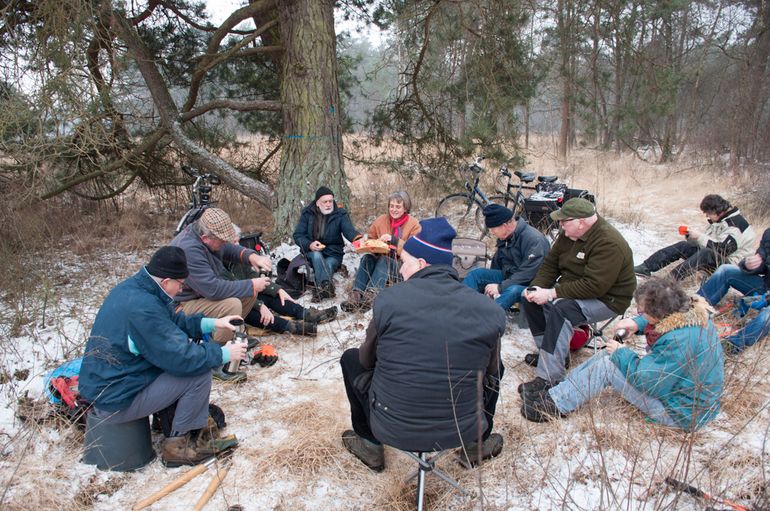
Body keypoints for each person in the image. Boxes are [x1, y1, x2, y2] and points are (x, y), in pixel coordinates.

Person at [339, 218, 506, 472]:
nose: (401, 271)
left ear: (421, 263)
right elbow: (492, 372)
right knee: (496, 368)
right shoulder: (488, 310)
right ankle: (476, 445)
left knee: (351, 359)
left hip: (391, 423)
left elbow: (365, 361)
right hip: (463, 426)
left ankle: (370, 444)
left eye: (404, 262)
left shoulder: (389, 301)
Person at [79, 246, 248, 467]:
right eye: (180, 283)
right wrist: (224, 353)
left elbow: (171, 322)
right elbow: (182, 357)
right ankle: (178, 447)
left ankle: (166, 420)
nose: (182, 288)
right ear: (166, 280)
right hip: (115, 401)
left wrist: (214, 323)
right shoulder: (143, 307)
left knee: (176, 366)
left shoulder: (138, 289)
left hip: (112, 387)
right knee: (198, 372)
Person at [522, 277, 724, 431]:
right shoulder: (690, 316)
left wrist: (623, 353)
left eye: (642, 312)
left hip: (681, 412)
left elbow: (649, 383)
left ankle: (555, 406)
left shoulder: (680, 340)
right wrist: (637, 323)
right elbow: (663, 321)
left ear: (658, 314)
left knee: (609, 365)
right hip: (683, 401)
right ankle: (559, 393)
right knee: (608, 355)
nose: (638, 312)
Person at [172, 209, 333, 357]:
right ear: (205, 238)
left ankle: (231, 338)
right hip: (183, 305)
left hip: (201, 296)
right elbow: (213, 290)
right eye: (222, 241)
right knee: (232, 304)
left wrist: (252, 257)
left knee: (248, 294)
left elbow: (228, 249)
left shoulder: (204, 233)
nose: (224, 244)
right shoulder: (189, 250)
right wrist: (251, 286)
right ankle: (218, 355)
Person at [520, 197, 636, 396]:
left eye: (564, 222)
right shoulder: (569, 234)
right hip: (574, 288)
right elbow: (551, 264)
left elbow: (595, 286)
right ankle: (551, 355)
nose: (561, 226)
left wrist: (551, 293)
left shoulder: (608, 242)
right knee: (530, 299)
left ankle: (549, 378)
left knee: (562, 309)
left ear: (581, 222)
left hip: (607, 299)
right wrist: (537, 288)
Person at [634, 194, 756, 281]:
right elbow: (709, 243)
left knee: (705, 254)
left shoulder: (735, 225)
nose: (707, 216)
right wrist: (692, 237)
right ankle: (646, 267)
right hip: (716, 258)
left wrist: (700, 236)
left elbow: (722, 250)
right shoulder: (721, 220)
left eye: (708, 213)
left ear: (717, 210)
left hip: (732, 266)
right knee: (684, 246)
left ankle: (668, 281)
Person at [341, 191, 421, 313]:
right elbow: (371, 238)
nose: (394, 209)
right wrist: (370, 243)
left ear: (405, 208)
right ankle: (356, 295)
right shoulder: (381, 220)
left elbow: (414, 250)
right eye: (391, 206)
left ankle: (371, 296)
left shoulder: (414, 224)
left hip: (401, 267)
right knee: (367, 258)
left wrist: (394, 240)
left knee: (385, 260)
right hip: (381, 261)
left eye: (398, 207)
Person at [463, 204, 550, 310]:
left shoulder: (534, 240)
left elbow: (527, 274)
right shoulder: (507, 235)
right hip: (509, 276)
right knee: (475, 274)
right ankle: (464, 309)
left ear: (505, 225)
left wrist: (500, 287)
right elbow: (498, 261)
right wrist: (491, 285)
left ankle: (486, 317)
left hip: (531, 284)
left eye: (493, 229)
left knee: (512, 290)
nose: (492, 233)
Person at [697, 227, 770, 352]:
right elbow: (763, 266)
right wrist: (750, 264)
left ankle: (731, 346)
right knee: (726, 270)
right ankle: (694, 311)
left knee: (767, 316)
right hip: (765, 287)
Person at [293, 186, 362, 301]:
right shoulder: (307, 213)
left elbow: (348, 230)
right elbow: (298, 235)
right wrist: (309, 244)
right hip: (312, 251)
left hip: (333, 253)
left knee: (328, 264)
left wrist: (357, 238)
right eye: (325, 202)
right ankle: (326, 289)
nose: (329, 204)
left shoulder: (340, 214)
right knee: (316, 255)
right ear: (317, 203)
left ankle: (321, 289)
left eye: (330, 201)